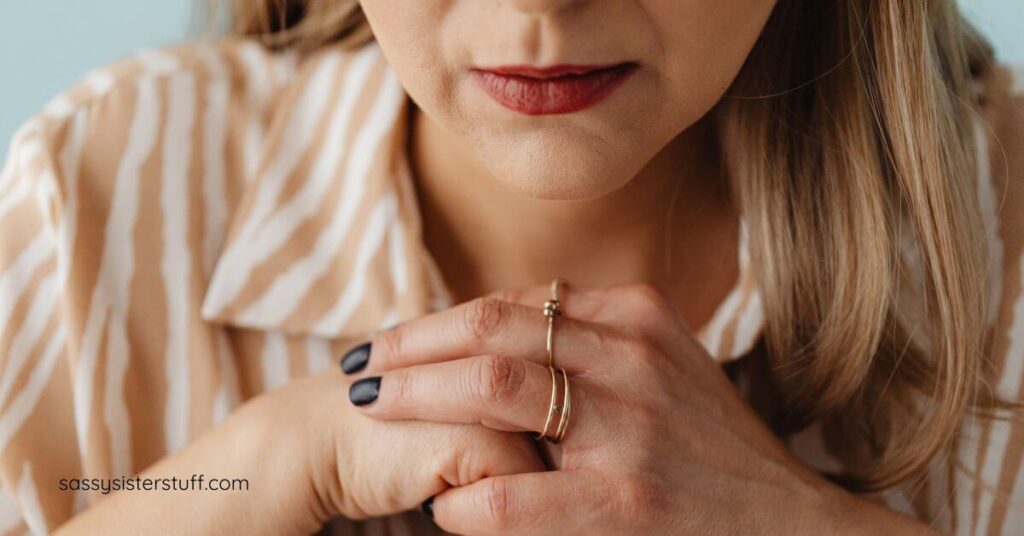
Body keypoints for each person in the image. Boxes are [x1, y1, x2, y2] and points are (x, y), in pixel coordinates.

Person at [0, 0, 1022, 534]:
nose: (539, 4)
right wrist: (269, 462)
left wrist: (797, 525)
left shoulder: (1006, 225)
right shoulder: (99, 190)